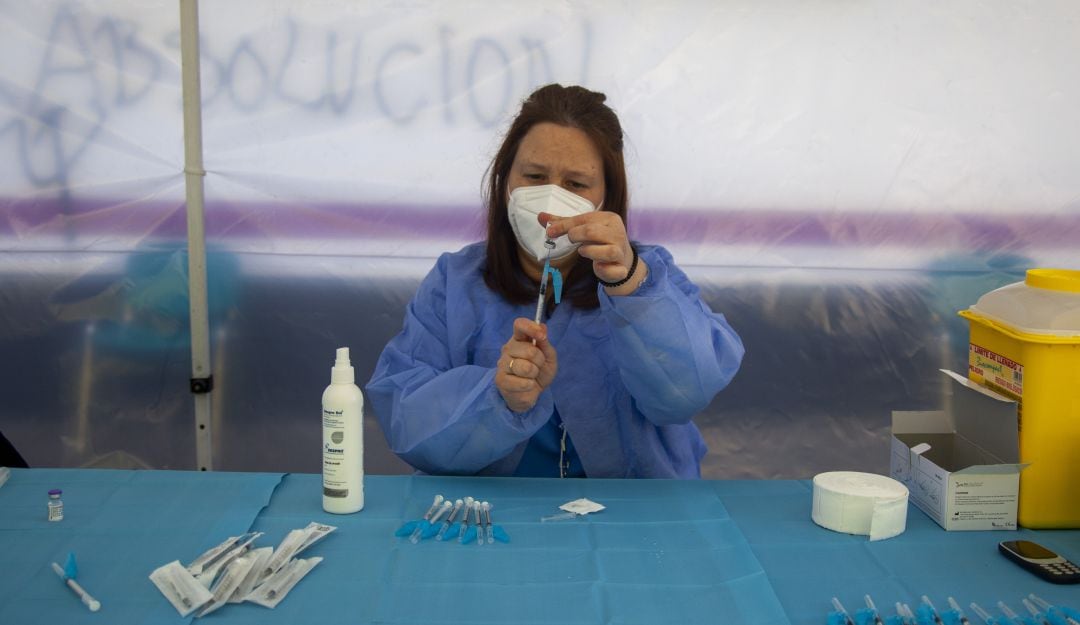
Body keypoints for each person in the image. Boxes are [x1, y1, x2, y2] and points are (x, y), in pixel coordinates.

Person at [366, 84, 744, 478]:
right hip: (494, 518)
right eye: (534, 176)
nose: (550, 200)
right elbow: (407, 420)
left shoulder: (647, 277)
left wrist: (632, 287)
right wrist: (498, 397)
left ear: (607, 197)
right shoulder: (455, 283)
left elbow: (688, 392)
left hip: (634, 517)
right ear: (505, 179)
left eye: (576, 184)